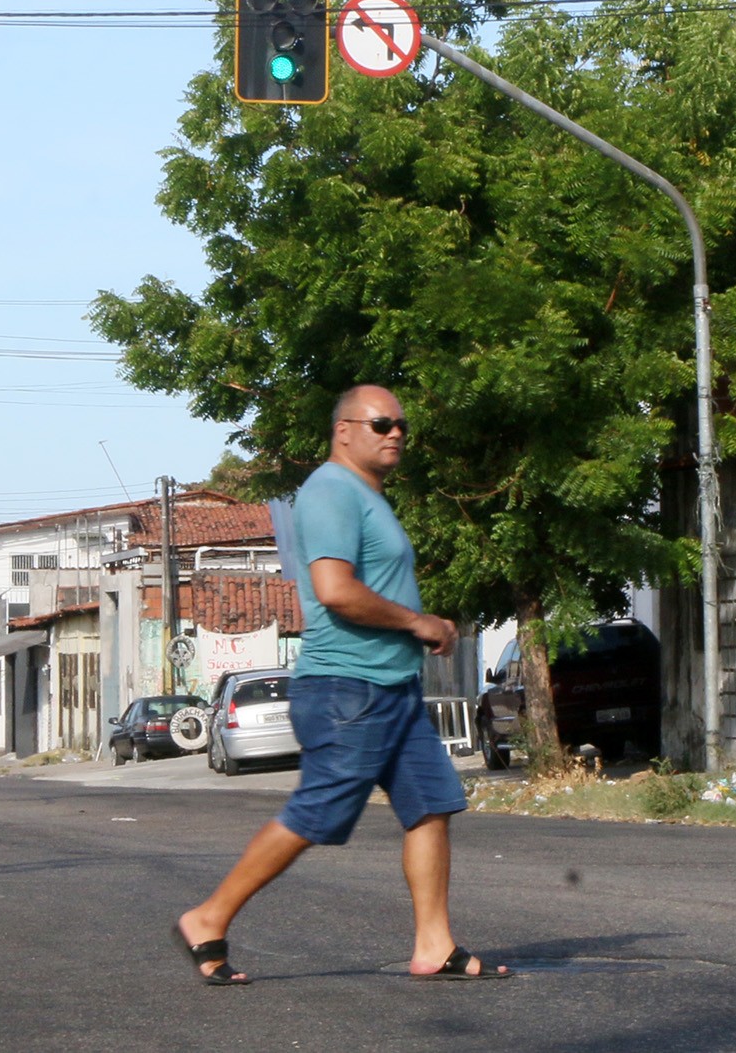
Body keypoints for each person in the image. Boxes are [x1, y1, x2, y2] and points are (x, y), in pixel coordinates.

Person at [173, 384, 510, 986]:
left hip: (393, 688)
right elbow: (334, 590)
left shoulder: (367, 496)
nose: (396, 433)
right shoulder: (330, 491)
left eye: (402, 425)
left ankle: (435, 945)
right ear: (345, 430)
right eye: (382, 424)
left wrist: (419, 632)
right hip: (347, 689)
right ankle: (209, 915)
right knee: (317, 813)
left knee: (431, 807)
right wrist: (417, 621)